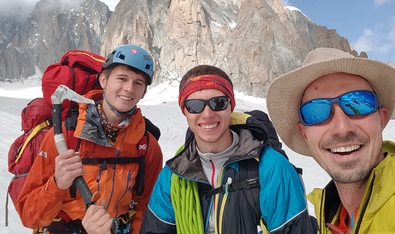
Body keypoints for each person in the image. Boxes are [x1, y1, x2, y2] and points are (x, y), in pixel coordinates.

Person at [266, 47, 395, 233]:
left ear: (381, 119)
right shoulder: (329, 218)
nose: (342, 128)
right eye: (315, 112)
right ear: (304, 134)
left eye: (359, 102)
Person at [140, 64, 315, 234]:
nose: (207, 114)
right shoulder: (172, 175)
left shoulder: (272, 168)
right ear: (184, 110)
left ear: (231, 105)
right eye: (195, 105)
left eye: (218, 103)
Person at [15, 44, 163, 234]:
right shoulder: (65, 137)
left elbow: (144, 208)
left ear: (143, 92)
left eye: (138, 83)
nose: (129, 88)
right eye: (122, 78)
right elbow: (29, 216)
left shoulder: (147, 146)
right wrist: (58, 183)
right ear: (103, 80)